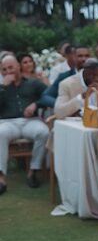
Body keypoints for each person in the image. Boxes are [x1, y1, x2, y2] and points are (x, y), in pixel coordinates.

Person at [0, 54, 51, 192]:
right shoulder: (1, 87)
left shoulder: (32, 83)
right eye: (4, 69)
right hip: (8, 122)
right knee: (0, 133)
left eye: (11, 67)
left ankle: (33, 170)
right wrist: (3, 87)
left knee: (43, 132)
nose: (8, 71)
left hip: (30, 121)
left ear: (18, 66)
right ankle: (1, 177)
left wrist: (36, 104)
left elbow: (50, 95)